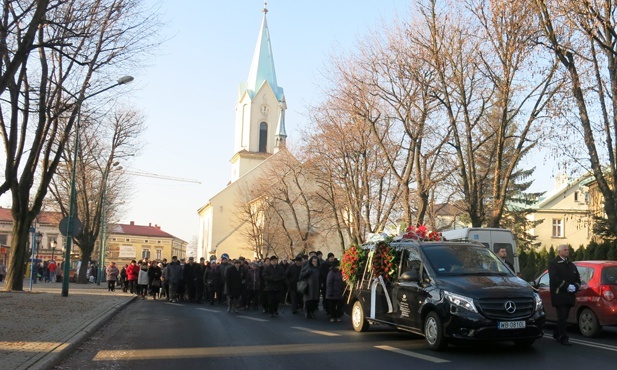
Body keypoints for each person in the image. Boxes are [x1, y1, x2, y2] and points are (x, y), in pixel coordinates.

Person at [548, 244, 581, 346]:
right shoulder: (553, 263)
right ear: (559, 252)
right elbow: (554, 278)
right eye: (565, 250)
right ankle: (563, 337)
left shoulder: (571, 265)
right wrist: (566, 286)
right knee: (562, 316)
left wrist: (575, 286)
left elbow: (578, 278)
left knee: (564, 317)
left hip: (569, 295)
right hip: (559, 294)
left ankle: (556, 333)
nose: (567, 251)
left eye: (568, 250)